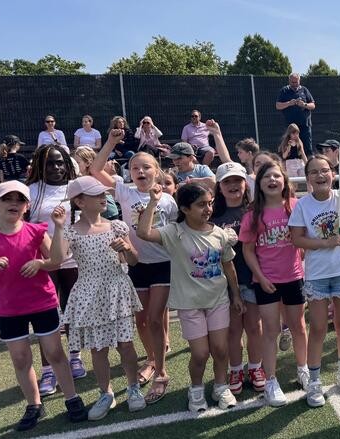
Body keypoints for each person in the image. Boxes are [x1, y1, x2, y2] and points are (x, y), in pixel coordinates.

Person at [0, 181, 87, 431]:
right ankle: (34, 404)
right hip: (8, 307)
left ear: (27, 206)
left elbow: (57, 260)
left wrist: (41, 263)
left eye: (19, 200)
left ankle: (72, 399)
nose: (14, 204)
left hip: (42, 301)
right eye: (8, 199)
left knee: (54, 353)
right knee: (20, 359)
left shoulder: (36, 230)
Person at [138, 182, 243, 412]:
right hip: (189, 305)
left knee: (221, 349)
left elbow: (228, 266)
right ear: (185, 209)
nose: (207, 209)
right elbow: (143, 233)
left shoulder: (219, 234)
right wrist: (153, 202)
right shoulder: (174, 233)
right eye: (201, 205)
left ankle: (220, 386)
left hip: (219, 301)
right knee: (200, 353)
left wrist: (235, 295)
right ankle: (196, 390)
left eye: (210, 203)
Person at [90, 130, 177, 405]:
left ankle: (161, 372)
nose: (140, 171)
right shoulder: (124, 192)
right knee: (140, 321)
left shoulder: (168, 201)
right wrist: (112, 142)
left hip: (162, 265)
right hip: (136, 263)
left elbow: (173, 232)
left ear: (157, 171)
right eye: (135, 167)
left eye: (146, 167)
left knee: (154, 318)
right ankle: (152, 358)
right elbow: (94, 169)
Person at [53, 177, 145, 419]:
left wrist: (125, 248)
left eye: (103, 193)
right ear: (79, 201)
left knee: (126, 344)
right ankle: (106, 393)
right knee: (98, 348)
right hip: (89, 294)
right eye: (96, 195)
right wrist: (59, 227)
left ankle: (134, 388)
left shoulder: (117, 227)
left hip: (117, 290)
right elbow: (58, 258)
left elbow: (134, 260)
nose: (103, 197)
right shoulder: (71, 231)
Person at [290, 154, 340, 408]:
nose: (320, 175)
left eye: (325, 170)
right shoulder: (302, 205)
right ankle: (315, 382)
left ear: (333, 173)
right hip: (317, 275)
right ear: (307, 178)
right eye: (314, 172)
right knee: (318, 328)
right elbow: (296, 239)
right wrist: (324, 243)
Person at [240, 160, 310, 406]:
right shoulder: (252, 215)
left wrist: (303, 262)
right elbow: (248, 251)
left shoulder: (296, 206)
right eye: (266, 177)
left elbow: (306, 239)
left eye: (276, 176)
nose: (272, 180)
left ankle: (304, 370)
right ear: (259, 183)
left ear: (284, 180)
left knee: (299, 327)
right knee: (270, 331)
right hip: (266, 281)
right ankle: (271, 381)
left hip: (294, 278)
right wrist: (260, 276)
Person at [26, 145, 85, 395]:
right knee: (47, 315)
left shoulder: (76, 187)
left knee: (73, 310)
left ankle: (75, 356)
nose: (56, 168)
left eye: (60, 162)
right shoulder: (31, 190)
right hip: (44, 261)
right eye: (50, 163)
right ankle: (48, 370)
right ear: (40, 165)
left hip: (74, 259)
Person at [210, 162, 265, 397]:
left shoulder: (255, 211)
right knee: (233, 331)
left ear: (246, 183)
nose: (233, 185)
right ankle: (235, 370)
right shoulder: (212, 215)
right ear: (219, 187)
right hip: (225, 284)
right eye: (227, 181)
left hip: (253, 280)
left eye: (237, 180)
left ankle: (255, 367)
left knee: (254, 327)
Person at [72, 147, 121, 221]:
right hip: (98, 212)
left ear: (88, 163)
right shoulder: (81, 177)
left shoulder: (94, 176)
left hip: (108, 213)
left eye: (77, 162)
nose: (74, 165)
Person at [276, 73, 316, 157]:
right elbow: (278, 106)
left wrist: (304, 105)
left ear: (299, 80)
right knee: (291, 149)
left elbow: (313, 106)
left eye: (296, 82)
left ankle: (309, 167)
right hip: (291, 127)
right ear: (289, 81)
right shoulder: (284, 90)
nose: (294, 84)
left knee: (307, 148)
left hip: (305, 125)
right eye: (292, 82)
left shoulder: (304, 90)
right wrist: (289, 103)